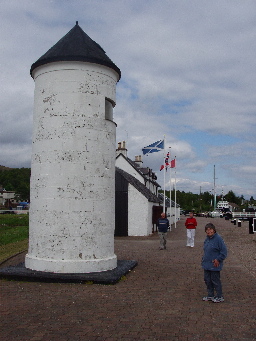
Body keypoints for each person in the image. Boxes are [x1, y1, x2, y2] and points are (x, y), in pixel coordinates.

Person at [202, 223, 227, 303]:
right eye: (207, 230)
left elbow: (224, 251)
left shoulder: (218, 239)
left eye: (210, 229)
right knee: (207, 280)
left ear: (214, 230)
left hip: (214, 264)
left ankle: (219, 296)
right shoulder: (207, 239)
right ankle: (210, 295)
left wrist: (218, 259)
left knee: (215, 280)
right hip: (206, 264)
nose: (209, 231)